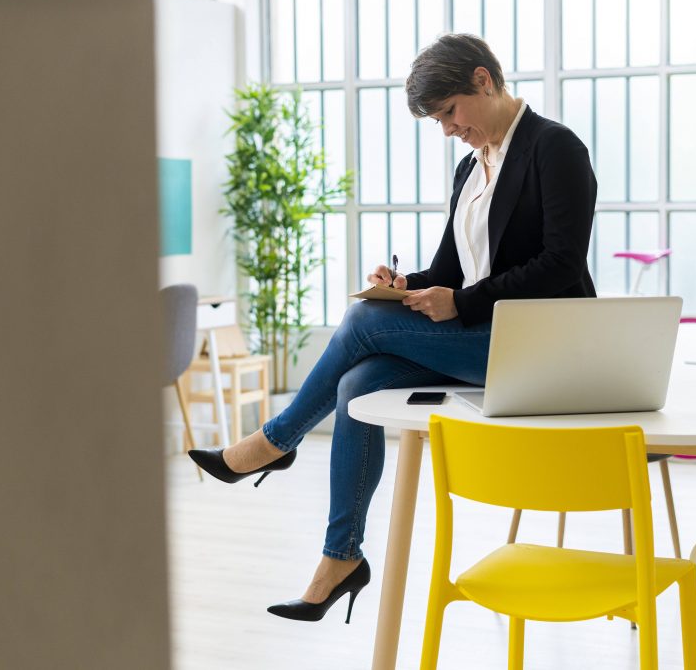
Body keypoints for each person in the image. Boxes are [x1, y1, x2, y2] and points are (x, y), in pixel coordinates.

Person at [189, 32, 598, 623]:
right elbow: (453, 270)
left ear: (484, 81)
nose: (448, 129)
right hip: (484, 334)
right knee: (357, 389)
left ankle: (274, 442)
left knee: (360, 321)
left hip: (539, 345)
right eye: (438, 120)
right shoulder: (471, 166)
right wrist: (406, 285)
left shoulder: (554, 147)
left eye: (449, 112)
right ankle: (340, 560)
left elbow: (561, 263)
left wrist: (459, 300)